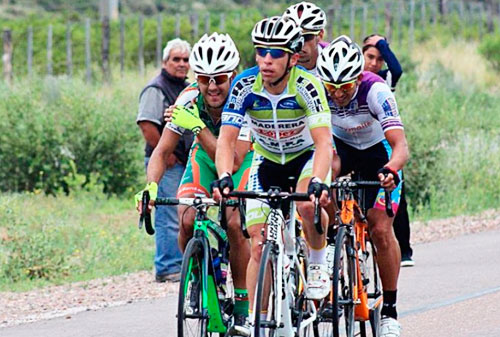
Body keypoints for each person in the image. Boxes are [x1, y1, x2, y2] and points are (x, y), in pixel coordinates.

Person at [211, 16, 333, 330]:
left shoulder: (307, 85)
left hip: (304, 158)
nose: (267, 59)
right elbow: (226, 140)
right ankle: (256, 318)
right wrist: (225, 175)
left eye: (276, 53)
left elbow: (323, 143)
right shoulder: (243, 85)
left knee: (307, 204)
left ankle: (318, 261)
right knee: (259, 243)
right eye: (261, 51)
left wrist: (318, 182)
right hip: (266, 162)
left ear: (293, 57)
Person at [136, 33, 254, 336]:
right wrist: (150, 188)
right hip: (203, 158)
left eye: (220, 79)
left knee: (233, 219)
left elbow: (234, 160)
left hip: (241, 159)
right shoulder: (188, 97)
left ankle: (241, 306)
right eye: (204, 79)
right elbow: (161, 151)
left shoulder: (246, 100)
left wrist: (197, 127)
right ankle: (195, 277)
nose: (212, 87)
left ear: (233, 74)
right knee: (187, 215)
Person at [317, 35, 409, 337]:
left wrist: (391, 169)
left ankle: (390, 312)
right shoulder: (320, 89)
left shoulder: (376, 91)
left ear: (357, 78)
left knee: (381, 229)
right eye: (331, 88)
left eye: (344, 87)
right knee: (322, 179)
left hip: (377, 151)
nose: (338, 95)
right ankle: (332, 242)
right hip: (341, 148)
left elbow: (400, 147)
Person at [136, 38, 191, 283]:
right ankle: (168, 266)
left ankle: (181, 262)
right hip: (167, 163)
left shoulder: (187, 88)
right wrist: (165, 154)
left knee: (183, 212)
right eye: (176, 59)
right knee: (167, 213)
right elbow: (147, 124)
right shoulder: (156, 88)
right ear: (164, 62)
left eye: (185, 60)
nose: (181, 64)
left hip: (182, 161)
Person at [363, 34, 414, 267]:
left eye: (379, 59)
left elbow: (397, 68)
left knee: (396, 200)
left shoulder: (384, 79)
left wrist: (382, 43)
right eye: (370, 57)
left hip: (384, 143)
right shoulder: (345, 80)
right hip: (355, 146)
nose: (374, 63)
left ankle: (404, 250)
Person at [282, 1, 328, 76]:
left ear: (320, 35)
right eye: (293, 38)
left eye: (306, 37)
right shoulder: (279, 60)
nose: (299, 44)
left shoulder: (333, 59)